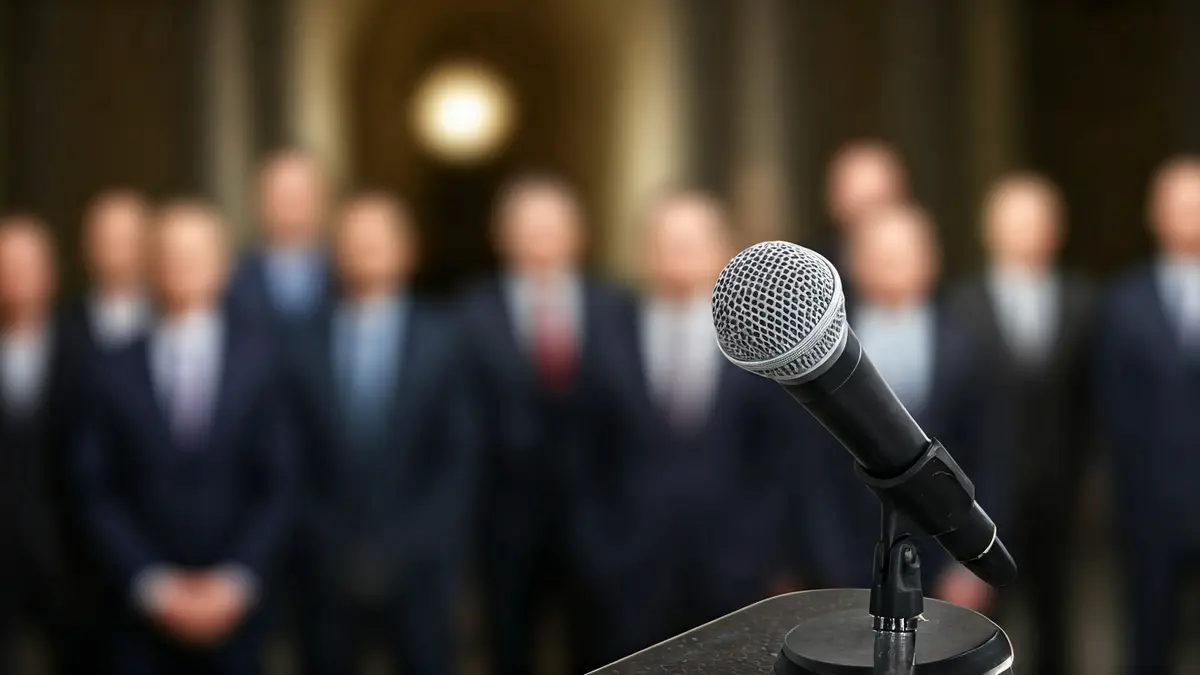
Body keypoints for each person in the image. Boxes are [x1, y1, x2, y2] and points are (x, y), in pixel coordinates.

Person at [565, 190, 791, 669]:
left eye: (694, 242)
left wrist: (761, 553)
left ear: (723, 249)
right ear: (645, 251)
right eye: (667, 242)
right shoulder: (606, 335)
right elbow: (580, 456)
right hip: (627, 566)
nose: (680, 254)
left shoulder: (757, 337)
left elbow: (778, 457)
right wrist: (598, 550)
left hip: (731, 567)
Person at [72, 200, 298, 675]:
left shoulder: (264, 362)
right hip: (138, 617)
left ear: (224, 265)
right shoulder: (109, 368)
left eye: (197, 253)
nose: (183, 266)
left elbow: (280, 482)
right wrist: (153, 585)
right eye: (171, 253)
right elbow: (95, 489)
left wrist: (235, 582)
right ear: (149, 264)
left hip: (238, 612)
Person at [292, 193, 476, 675]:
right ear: (334, 252)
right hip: (324, 566)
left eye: (379, 239)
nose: (365, 250)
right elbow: (289, 457)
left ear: (407, 250)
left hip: (420, 567)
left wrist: (407, 548)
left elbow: (459, 458)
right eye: (353, 240)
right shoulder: (299, 341)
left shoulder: (447, 338)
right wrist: (329, 544)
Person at [457, 174, 632, 675]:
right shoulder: (470, 314)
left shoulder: (616, 307)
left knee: (600, 650)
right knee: (508, 647)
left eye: (552, 226)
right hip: (503, 523)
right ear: (501, 235)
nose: (540, 238)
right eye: (526, 227)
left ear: (579, 233)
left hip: (598, 520)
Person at [797, 203, 1009, 611]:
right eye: (880, 254)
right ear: (854, 263)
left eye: (904, 253)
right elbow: (810, 467)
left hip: (946, 558)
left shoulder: (969, 348)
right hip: (846, 559)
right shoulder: (823, 355)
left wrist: (971, 563)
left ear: (930, 260)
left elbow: (992, 458)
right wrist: (826, 564)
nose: (892, 264)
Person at [949, 173, 1095, 675]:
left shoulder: (1082, 301)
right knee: (984, 619)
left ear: (1056, 229)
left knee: (1059, 613)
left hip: (1057, 486)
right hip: (982, 492)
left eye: (1037, 220)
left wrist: (1086, 480)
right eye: (1014, 220)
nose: (1026, 231)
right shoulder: (960, 306)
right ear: (989, 227)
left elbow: (1088, 403)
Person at [1095, 156, 1200, 675]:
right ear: (1154, 214)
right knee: (1148, 638)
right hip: (1149, 508)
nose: (1190, 214)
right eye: (1178, 204)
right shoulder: (1123, 303)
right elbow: (1113, 411)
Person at [0, 216, 96, 674]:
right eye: (5, 263)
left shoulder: (88, 354)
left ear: (51, 272)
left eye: (26, 263)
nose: (14, 274)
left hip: (71, 560)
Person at [228, 150, 333, 330]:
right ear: (258, 202)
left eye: (300, 196)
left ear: (322, 201)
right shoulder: (232, 277)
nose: (290, 207)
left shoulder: (346, 271)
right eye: (281, 196)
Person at [59, 189, 153, 360]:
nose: (114, 253)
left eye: (124, 240)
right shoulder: (61, 324)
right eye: (105, 239)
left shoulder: (167, 317)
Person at [814, 139, 910, 299]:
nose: (866, 217)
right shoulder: (810, 272)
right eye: (855, 199)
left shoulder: (948, 307)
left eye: (875, 199)